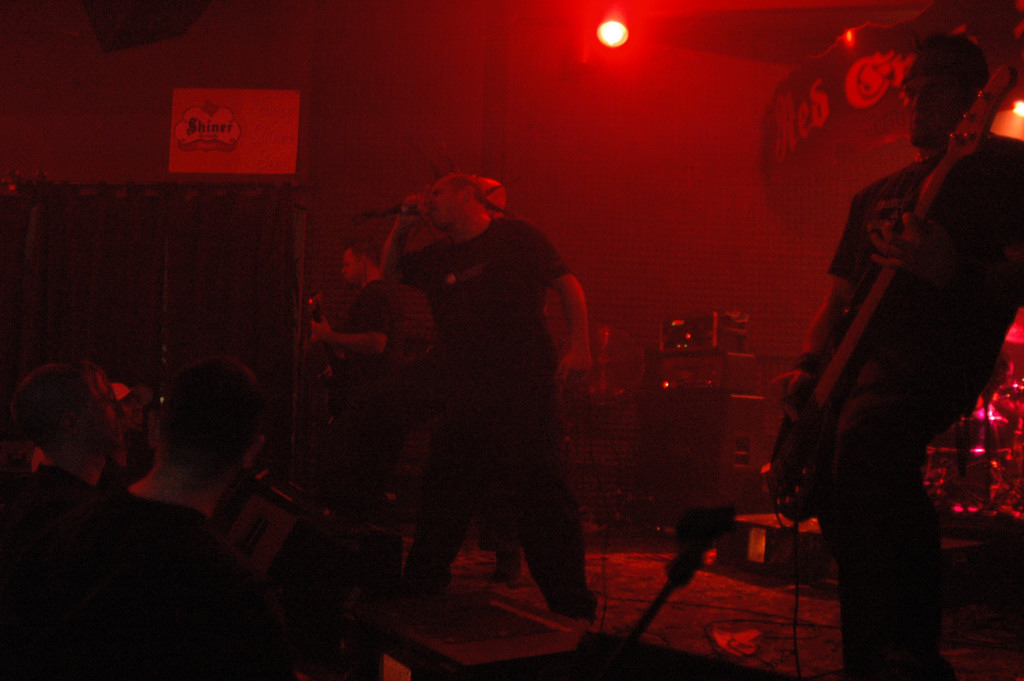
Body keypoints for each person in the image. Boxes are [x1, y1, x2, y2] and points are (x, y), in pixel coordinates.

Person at [773, 34, 1024, 681]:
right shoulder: (874, 194)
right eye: (909, 92)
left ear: (973, 99)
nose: (913, 103)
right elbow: (836, 301)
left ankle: (912, 651)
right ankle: (871, 648)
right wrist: (808, 365)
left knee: (870, 442)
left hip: (935, 354)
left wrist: (952, 270)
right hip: (853, 362)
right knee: (833, 486)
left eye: (929, 91)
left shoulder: (1008, 171)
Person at [381, 172, 597, 621]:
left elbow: (567, 283)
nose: (429, 199)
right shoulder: (440, 257)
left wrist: (580, 344)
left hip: (523, 391)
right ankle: (418, 593)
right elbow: (390, 275)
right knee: (443, 493)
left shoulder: (517, 235)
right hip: (466, 394)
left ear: (468, 196)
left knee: (542, 498)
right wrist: (402, 227)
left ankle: (572, 608)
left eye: (437, 192)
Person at [1, 356, 297, 680]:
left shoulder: (60, 537)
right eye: (105, 401)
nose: (119, 411)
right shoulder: (242, 596)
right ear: (252, 451)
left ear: (155, 429)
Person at [309, 239, 410, 522]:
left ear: (364, 260)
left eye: (346, 263)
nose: (342, 270)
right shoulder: (383, 295)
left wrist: (330, 336)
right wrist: (342, 368)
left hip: (371, 403)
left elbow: (376, 343)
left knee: (352, 477)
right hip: (379, 400)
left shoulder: (374, 295)